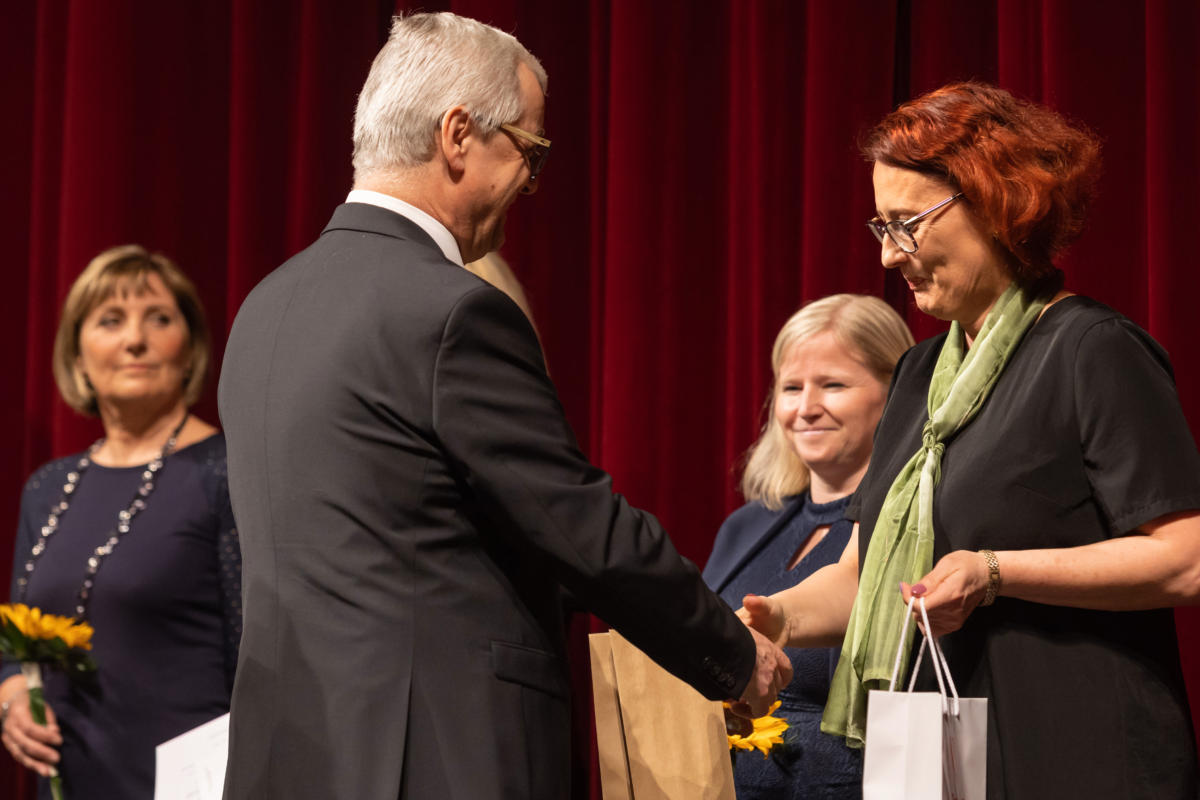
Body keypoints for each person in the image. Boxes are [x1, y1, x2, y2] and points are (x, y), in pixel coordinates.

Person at [217, 12, 790, 799]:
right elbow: (579, 526)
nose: (530, 181)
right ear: (459, 135)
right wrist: (732, 653)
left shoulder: (262, 309)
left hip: (294, 758)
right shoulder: (452, 311)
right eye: (531, 150)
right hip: (437, 755)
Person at [742, 82, 1200, 799]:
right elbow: (866, 576)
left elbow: (1187, 560)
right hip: (952, 763)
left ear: (995, 201)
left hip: (1082, 753)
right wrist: (780, 617)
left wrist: (995, 572)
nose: (891, 257)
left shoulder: (1092, 349)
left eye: (907, 223)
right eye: (880, 228)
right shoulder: (920, 374)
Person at [0, 245, 240, 798]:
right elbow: (15, 647)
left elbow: (260, 657)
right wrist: (13, 697)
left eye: (159, 318)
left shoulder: (226, 473)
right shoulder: (47, 488)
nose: (136, 339)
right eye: (111, 320)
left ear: (190, 350)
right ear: (78, 354)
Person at [704, 295, 912, 799]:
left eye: (833, 385)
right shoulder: (745, 526)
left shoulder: (912, 525)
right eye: (791, 388)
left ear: (896, 394)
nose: (805, 408)